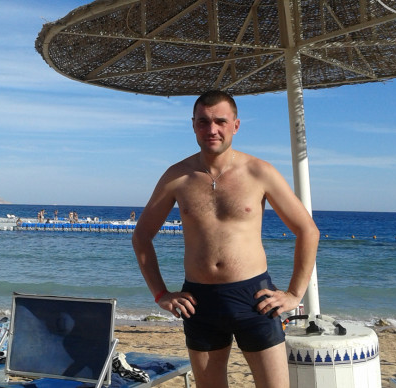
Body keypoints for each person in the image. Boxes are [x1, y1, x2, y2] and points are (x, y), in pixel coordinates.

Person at [132, 91, 319, 388]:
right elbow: (142, 236)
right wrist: (160, 294)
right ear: (193, 125)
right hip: (199, 302)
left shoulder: (259, 172)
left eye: (220, 121)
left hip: (254, 298)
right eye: (203, 122)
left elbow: (307, 230)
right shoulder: (177, 176)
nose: (212, 129)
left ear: (235, 125)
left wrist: (295, 294)